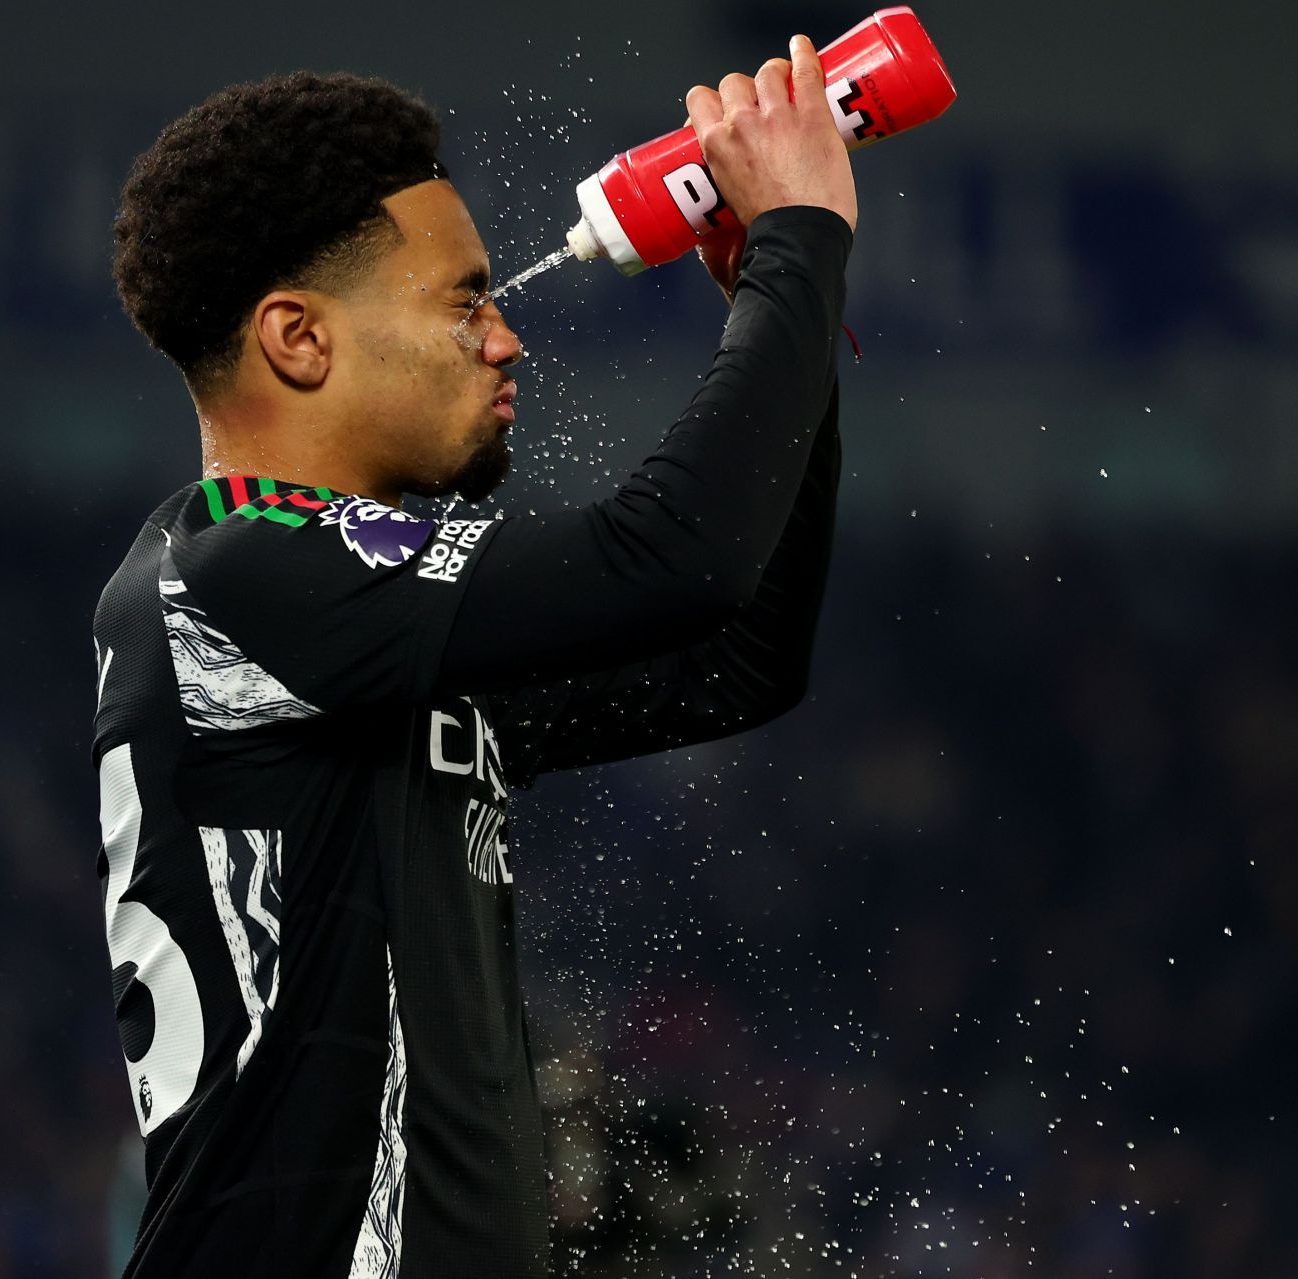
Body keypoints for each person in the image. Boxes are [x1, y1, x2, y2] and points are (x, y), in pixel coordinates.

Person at [92, 34, 855, 1278]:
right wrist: (800, 244)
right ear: (298, 338)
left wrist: (785, 308)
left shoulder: (368, 625)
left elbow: (739, 653)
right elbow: (675, 557)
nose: (505, 341)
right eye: (464, 300)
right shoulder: (236, 567)